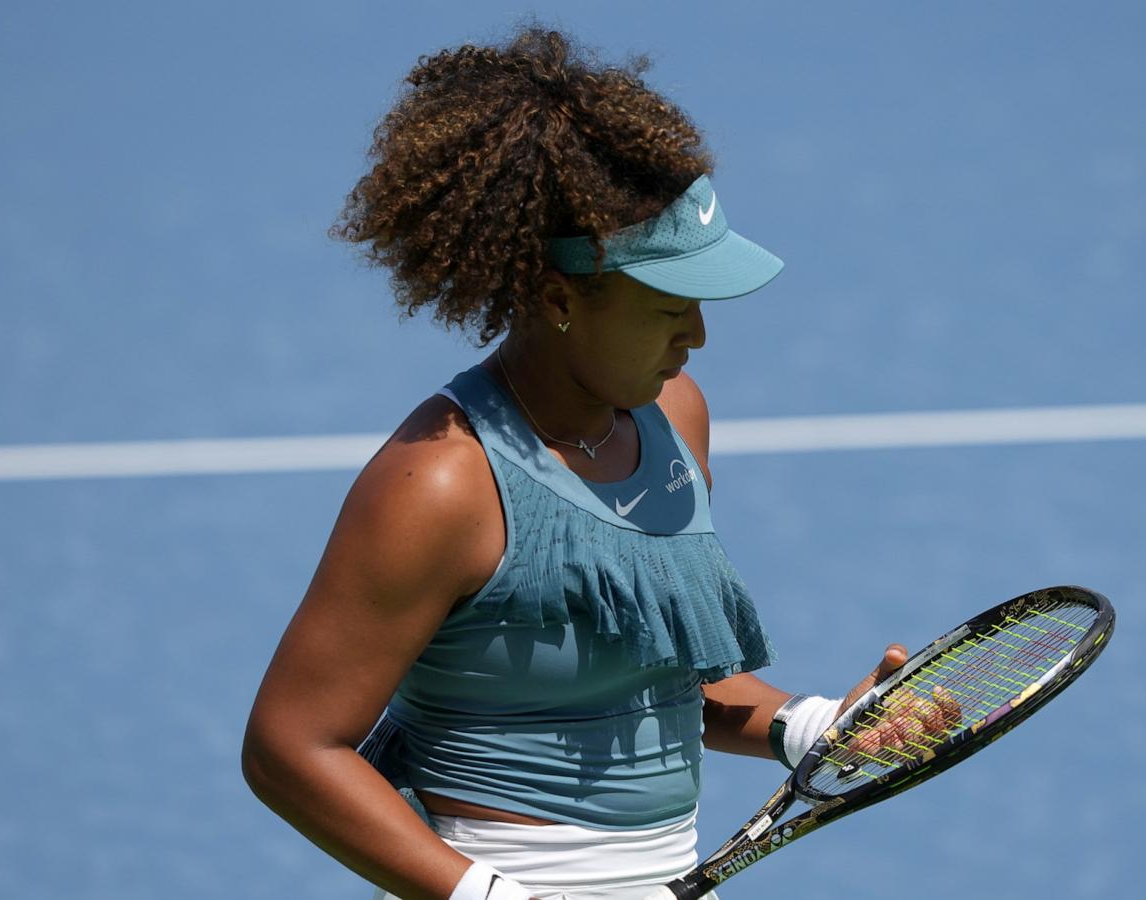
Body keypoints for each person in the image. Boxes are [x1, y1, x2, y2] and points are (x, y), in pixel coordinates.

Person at [240, 25, 911, 900]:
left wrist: (809, 726)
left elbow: (653, 672)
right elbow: (291, 747)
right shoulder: (442, 484)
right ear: (558, 299)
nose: (699, 335)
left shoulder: (677, 416)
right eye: (669, 305)